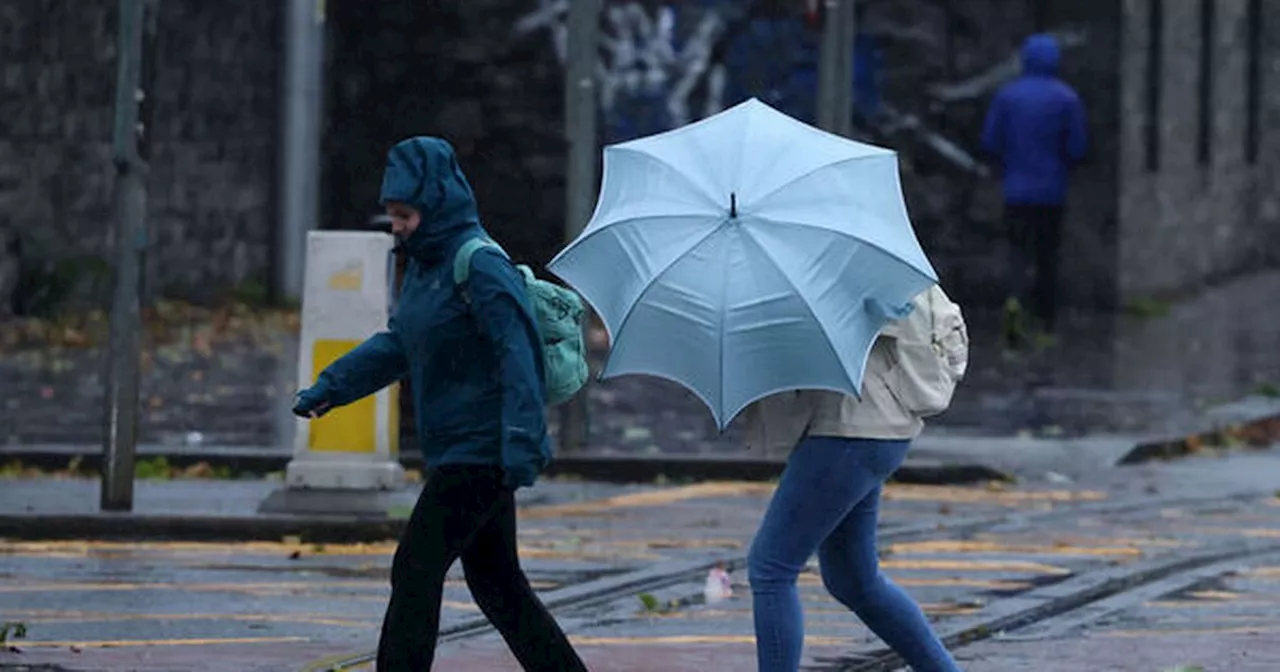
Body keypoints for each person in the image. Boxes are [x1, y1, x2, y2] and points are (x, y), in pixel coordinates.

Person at [292, 136, 586, 672]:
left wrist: (523, 442)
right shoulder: (426, 268)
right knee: (498, 584)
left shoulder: (480, 264)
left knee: (415, 570)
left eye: (404, 214)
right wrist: (330, 388)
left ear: (435, 205)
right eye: (392, 214)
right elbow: (397, 345)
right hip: (456, 448)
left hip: (483, 452)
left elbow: (517, 354)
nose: (397, 225)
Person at [743, 286, 966, 672]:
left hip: (850, 429)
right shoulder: (867, 249)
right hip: (876, 428)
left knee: (772, 567)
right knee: (852, 578)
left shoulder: (837, 265)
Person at [981, 33, 1088, 334]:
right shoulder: (1067, 98)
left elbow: (990, 141)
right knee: (1047, 256)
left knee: (1017, 250)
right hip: (1052, 192)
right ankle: (1044, 319)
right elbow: (1077, 147)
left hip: (1015, 190)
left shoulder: (1007, 96)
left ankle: (1014, 299)